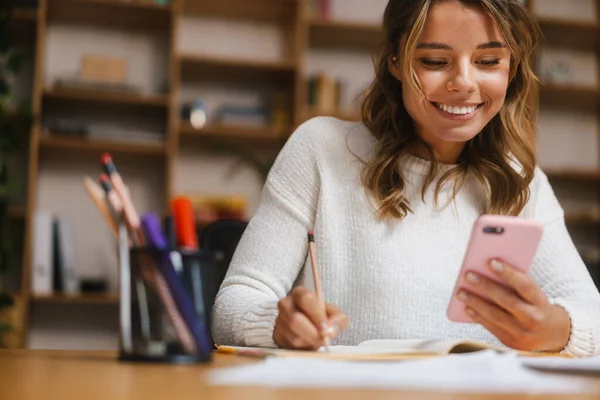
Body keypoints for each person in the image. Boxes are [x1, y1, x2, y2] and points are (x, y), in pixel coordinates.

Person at [211, 0, 600, 357]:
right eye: (434, 61)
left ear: (511, 68)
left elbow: (593, 318)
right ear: (395, 60)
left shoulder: (523, 183)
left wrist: (553, 329)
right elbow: (232, 307)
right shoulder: (320, 150)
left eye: (487, 61)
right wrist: (279, 325)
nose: (463, 83)